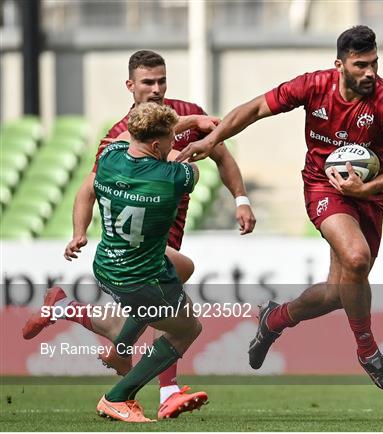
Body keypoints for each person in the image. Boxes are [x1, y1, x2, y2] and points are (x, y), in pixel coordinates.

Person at [177, 26, 383, 392]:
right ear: (339, 64)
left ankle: (274, 319)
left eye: (374, 63)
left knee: (339, 292)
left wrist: (368, 187)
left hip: (368, 195)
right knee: (356, 258)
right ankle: (368, 352)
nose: (370, 73)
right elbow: (258, 107)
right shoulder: (314, 86)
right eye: (360, 65)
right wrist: (213, 138)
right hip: (323, 186)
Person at [22, 50, 255, 418]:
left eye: (162, 80)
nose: (157, 88)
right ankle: (163, 392)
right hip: (142, 246)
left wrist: (241, 198)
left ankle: (67, 309)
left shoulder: (119, 146)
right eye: (148, 82)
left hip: (148, 246)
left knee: (173, 281)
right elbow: (89, 188)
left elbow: (222, 156)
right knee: (170, 316)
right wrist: (79, 230)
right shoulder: (144, 151)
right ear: (131, 86)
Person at [87, 102, 203, 422]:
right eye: (169, 140)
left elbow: (127, 136)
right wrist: (194, 140)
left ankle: (119, 349)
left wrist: (189, 120)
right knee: (188, 329)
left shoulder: (109, 157)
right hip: (140, 278)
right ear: (156, 145)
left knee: (183, 266)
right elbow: (193, 170)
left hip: (107, 263)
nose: (172, 144)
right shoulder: (172, 177)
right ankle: (118, 396)